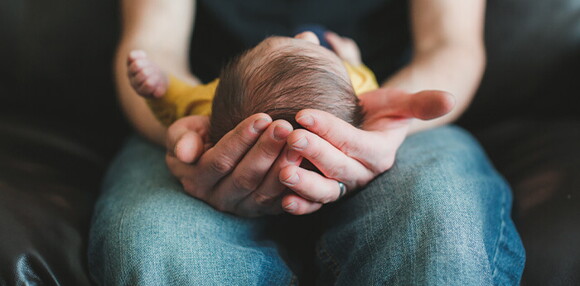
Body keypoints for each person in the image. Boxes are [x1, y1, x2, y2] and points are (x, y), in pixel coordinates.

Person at [89, 0, 526, 285]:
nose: (305, 37)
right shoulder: (204, 108)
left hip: (385, 115)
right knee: (155, 244)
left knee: (443, 224)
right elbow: (151, 44)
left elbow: (450, 44)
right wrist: (191, 128)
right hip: (211, 111)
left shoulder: (360, 86)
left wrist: (386, 125)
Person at [126, 32, 378, 143]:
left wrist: (160, 87)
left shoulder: (207, 104)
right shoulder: (357, 86)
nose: (306, 35)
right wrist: (352, 61)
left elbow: (174, 103)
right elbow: (366, 78)